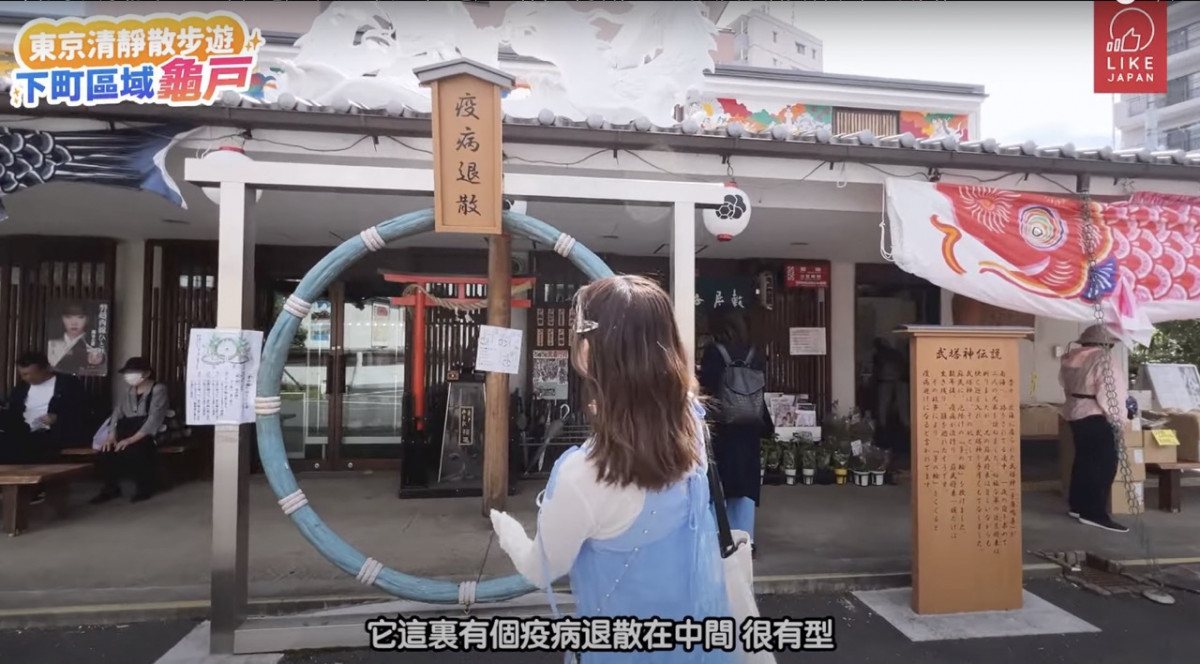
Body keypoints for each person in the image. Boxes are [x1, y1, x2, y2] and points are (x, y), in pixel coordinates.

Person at [489, 276, 734, 663]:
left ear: (587, 352)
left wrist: (509, 534)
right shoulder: (693, 422)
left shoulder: (584, 474)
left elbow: (541, 569)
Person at [699, 310, 771, 556]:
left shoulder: (714, 353)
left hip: (721, 428)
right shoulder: (755, 354)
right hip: (749, 427)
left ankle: (719, 536)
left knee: (717, 483)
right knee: (745, 485)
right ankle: (745, 540)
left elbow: (705, 388)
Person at [1060, 324, 1131, 533]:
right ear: (1107, 344)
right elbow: (1111, 394)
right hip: (1096, 413)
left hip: (1074, 411)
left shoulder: (1070, 358)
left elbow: (1064, 384)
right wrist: (1120, 420)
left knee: (1084, 461)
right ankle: (1094, 513)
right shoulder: (1103, 359)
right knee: (1104, 465)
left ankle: (1078, 505)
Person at [90, 357, 169, 504]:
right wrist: (111, 435)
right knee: (107, 451)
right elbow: (117, 413)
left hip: (148, 432)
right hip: (127, 429)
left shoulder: (158, 389)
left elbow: (154, 418)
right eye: (127, 372)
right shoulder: (128, 390)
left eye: (133, 372)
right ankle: (111, 488)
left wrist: (132, 439)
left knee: (137, 449)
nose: (129, 376)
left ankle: (144, 488)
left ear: (146, 373)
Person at [1, 351, 86, 464]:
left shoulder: (68, 384)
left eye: (28, 374)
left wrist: (57, 418)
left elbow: (80, 411)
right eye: (22, 374)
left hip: (52, 433)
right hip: (23, 430)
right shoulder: (22, 387)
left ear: (44, 369)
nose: (24, 377)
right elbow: (13, 410)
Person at [47, 301, 105, 375]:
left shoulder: (94, 345)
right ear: (62, 318)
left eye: (80, 317)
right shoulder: (51, 343)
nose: (74, 323)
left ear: (87, 319)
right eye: (68, 317)